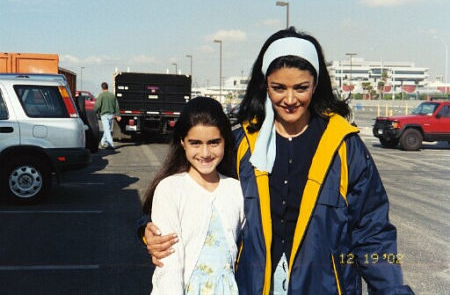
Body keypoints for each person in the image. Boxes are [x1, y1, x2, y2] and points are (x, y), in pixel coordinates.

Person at [140, 27, 414, 294]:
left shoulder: (345, 147)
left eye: (301, 87)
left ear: (316, 85)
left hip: (324, 285)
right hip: (252, 284)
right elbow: (183, 186)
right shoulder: (242, 144)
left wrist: (392, 289)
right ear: (265, 86)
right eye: (279, 88)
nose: (290, 99)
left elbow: (374, 232)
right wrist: (147, 229)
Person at [143, 96, 245, 294]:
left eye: (214, 142)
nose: (205, 153)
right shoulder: (170, 189)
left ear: (226, 140)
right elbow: (170, 263)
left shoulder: (235, 189)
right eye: (195, 143)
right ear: (182, 142)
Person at [94, 82, 121, 149]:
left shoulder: (101, 95)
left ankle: (111, 144)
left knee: (107, 130)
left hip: (104, 115)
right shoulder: (112, 95)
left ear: (102, 88)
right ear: (107, 87)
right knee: (107, 129)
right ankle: (103, 143)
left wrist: (93, 112)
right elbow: (116, 106)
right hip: (111, 115)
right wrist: (118, 115)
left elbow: (97, 105)